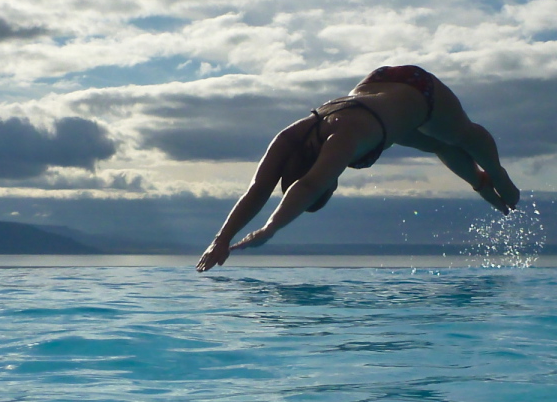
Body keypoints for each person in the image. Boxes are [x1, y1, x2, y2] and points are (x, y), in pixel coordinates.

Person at [196, 64, 520, 272]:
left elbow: (307, 187)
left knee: (459, 134)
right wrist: (221, 239)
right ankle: (480, 183)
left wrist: (269, 229)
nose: (333, 181)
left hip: (421, 92)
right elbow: (258, 189)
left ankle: (498, 176)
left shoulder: (342, 140)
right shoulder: (295, 134)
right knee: (436, 144)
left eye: (331, 184)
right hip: (378, 89)